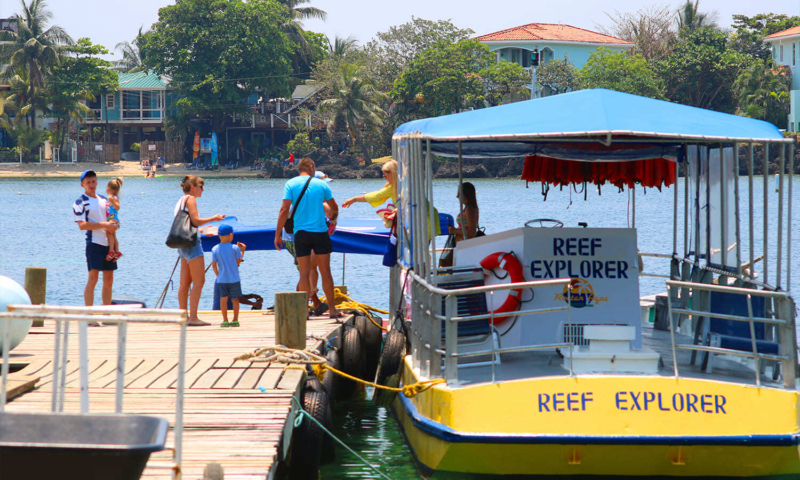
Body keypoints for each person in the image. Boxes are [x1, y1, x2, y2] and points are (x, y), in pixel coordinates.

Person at [275, 158, 340, 318]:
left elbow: (284, 210)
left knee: (304, 273)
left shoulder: (290, 184)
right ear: (311, 167)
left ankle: (304, 311)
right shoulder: (322, 185)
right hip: (320, 232)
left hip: (301, 233)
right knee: (325, 271)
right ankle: (332, 310)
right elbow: (334, 207)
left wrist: (277, 234)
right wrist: (332, 217)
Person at [175, 175, 225, 326]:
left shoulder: (181, 200)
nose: (203, 190)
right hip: (192, 245)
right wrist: (213, 218)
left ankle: (183, 316)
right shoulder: (191, 199)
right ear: (193, 187)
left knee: (184, 283)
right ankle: (193, 318)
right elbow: (195, 220)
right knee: (199, 281)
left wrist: (201, 230)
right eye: (201, 187)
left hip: (182, 244)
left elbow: (187, 223)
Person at [74, 170, 119, 308]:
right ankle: (89, 314)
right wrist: (104, 225)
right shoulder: (80, 202)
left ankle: (106, 313)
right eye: (88, 182)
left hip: (109, 244)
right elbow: (82, 225)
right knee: (93, 280)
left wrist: (115, 226)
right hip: (94, 244)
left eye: (93, 181)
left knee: (109, 281)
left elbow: (113, 217)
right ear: (82, 185)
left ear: (97, 182)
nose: (91, 185)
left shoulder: (105, 199)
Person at [211, 224, 246, 327]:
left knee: (223, 299)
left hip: (222, 279)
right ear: (230, 235)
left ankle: (225, 320)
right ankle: (235, 320)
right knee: (235, 300)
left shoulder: (215, 249)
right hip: (234, 279)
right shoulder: (235, 248)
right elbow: (238, 262)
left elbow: (214, 265)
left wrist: (218, 275)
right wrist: (242, 251)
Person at [105, 177, 123, 261]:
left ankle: (111, 251)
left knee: (109, 233)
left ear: (108, 189)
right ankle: (117, 251)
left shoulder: (114, 198)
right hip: (111, 219)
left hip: (113, 219)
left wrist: (112, 201)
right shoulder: (110, 198)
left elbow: (118, 207)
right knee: (113, 235)